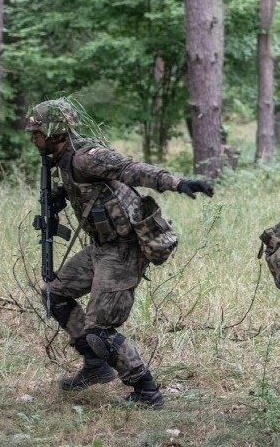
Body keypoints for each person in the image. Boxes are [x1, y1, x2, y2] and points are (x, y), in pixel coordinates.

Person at [26, 98, 214, 409]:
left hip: (124, 249)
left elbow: (131, 169)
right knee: (55, 295)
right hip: (102, 247)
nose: (33, 138)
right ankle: (95, 366)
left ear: (55, 133)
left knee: (100, 330)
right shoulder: (61, 159)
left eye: (37, 132)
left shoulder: (86, 158)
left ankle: (146, 392)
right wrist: (60, 197)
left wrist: (178, 183)